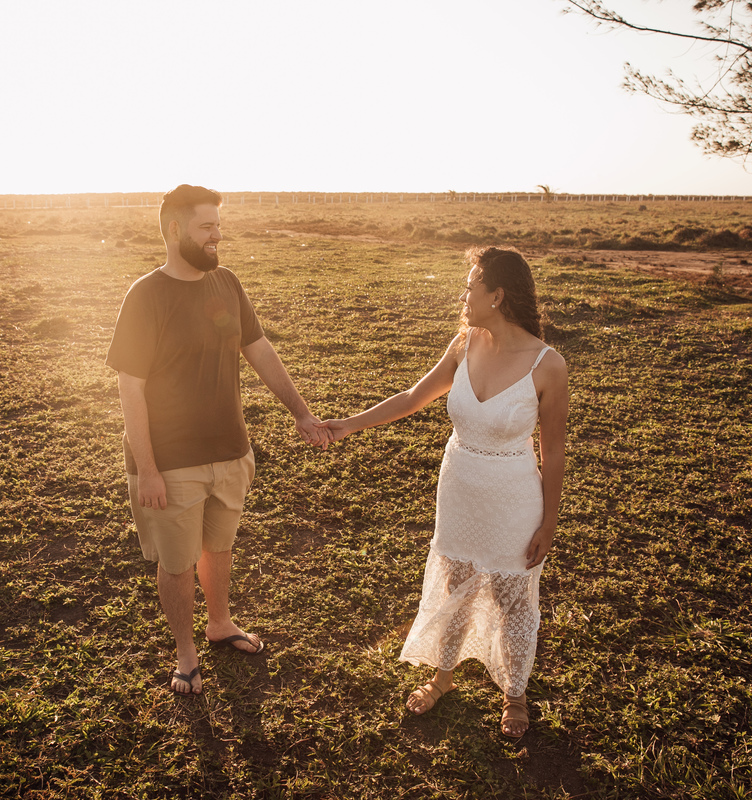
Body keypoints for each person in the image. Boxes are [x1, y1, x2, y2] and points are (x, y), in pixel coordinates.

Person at [317, 246, 568, 738]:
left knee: (511, 595)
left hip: (514, 499)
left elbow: (554, 453)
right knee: (456, 583)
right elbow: (413, 397)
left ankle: (514, 692)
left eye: (471, 285)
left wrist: (549, 523)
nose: (463, 294)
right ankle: (444, 677)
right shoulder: (463, 344)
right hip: (459, 490)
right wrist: (346, 425)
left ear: (497, 295)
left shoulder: (547, 365)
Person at [106, 184, 331, 697]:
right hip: (172, 460)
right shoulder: (145, 296)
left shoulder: (225, 285)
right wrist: (148, 468)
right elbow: (130, 390)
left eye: (218, 226)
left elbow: (259, 350)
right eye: (207, 227)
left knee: (219, 548)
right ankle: (186, 652)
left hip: (231, 451)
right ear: (174, 230)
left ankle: (220, 623)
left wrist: (301, 413)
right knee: (177, 562)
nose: (217, 236)